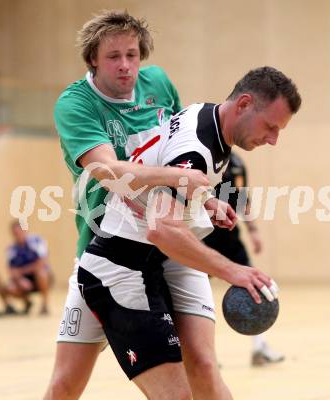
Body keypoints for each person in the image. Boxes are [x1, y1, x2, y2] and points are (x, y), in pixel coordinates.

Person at [77, 66, 301, 398]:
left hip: (155, 264)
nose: (273, 139)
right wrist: (232, 271)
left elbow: (173, 173)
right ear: (243, 104)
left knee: (206, 369)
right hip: (119, 268)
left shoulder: (208, 118)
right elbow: (162, 229)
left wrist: (205, 199)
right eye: (270, 126)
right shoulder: (197, 150)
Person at [44, 10, 219, 400]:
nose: (125, 66)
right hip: (108, 251)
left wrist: (205, 198)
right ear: (92, 58)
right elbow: (107, 171)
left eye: (132, 54)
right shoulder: (76, 104)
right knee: (65, 383)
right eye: (113, 57)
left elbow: (180, 153)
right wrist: (178, 180)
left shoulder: (158, 83)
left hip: (169, 243)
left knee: (204, 365)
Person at [203, 151, 285, 366]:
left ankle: (259, 348)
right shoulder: (199, 155)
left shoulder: (236, 163)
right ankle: (206, 355)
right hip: (202, 237)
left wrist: (253, 230)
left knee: (255, 286)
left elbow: (241, 197)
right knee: (200, 295)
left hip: (230, 237)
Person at [6, 221, 51, 315]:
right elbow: (11, 270)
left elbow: (42, 263)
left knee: (41, 273)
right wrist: (19, 280)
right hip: (24, 279)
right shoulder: (12, 249)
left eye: (19, 232)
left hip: (40, 277)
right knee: (9, 288)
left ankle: (44, 304)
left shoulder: (37, 241)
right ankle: (27, 302)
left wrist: (22, 271)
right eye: (15, 233)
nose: (18, 235)